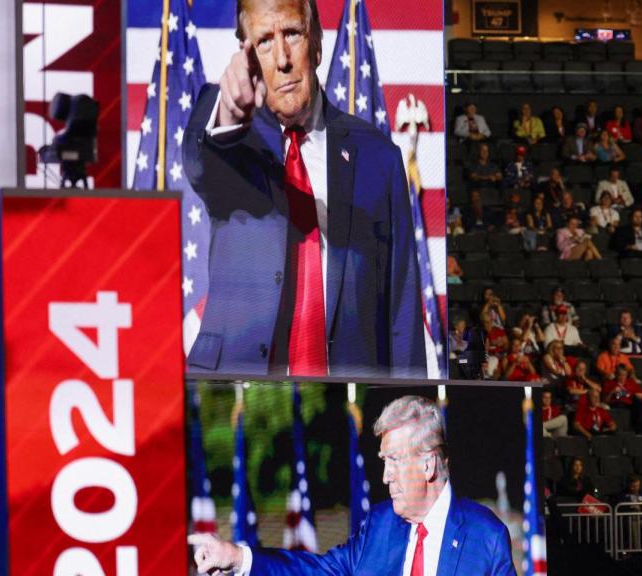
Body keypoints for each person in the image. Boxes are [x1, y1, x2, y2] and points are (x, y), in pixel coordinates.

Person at [183, 0, 424, 377]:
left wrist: (411, 416)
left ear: (316, 43)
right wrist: (229, 111)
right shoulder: (230, 141)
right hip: (233, 399)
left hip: (346, 403)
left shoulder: (378, 157)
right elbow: (201, 163)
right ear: (247, 56)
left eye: (292, 34)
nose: (282, 59)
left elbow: (402, 306)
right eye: (264, 41)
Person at [189, 396, 512, 575]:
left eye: (395, 461)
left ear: (428, 464)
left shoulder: (486, 536)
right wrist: (237, 556)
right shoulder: (381, 524)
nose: (385, 476)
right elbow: (318, 571)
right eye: (383, 461)